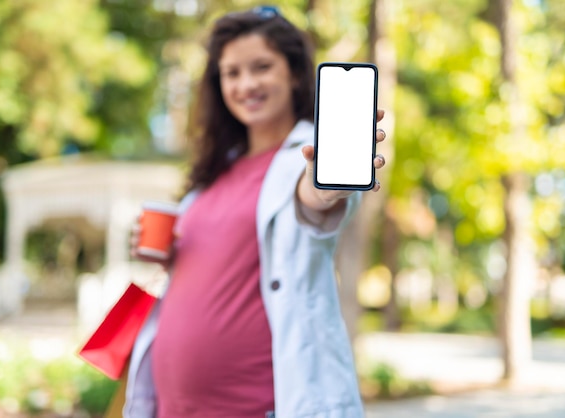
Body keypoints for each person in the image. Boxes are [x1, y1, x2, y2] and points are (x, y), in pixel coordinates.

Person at [125, 5, 387, 418]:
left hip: (256, 406)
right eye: (232, 73)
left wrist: (325, 185)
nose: (246, 84)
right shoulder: (212, 175)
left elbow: (315, 205)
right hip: (171, 407)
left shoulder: (304, 159)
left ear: (295, 73)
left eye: (261, 67)